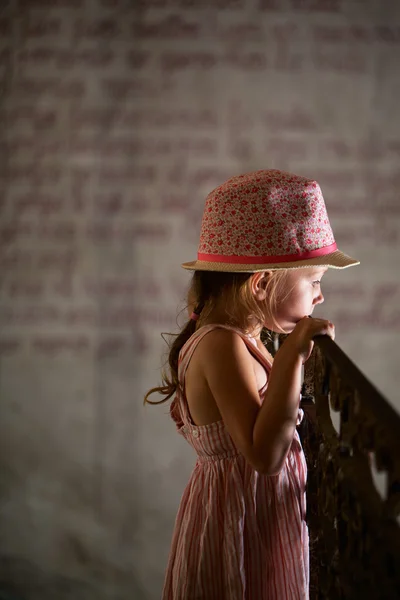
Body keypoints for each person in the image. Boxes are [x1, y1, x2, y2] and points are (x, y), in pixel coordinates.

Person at [144, 169, 359, 599]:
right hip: (237, 529)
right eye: (314, 282)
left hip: (257, 522)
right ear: (261, 284)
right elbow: (264, 454)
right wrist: (293, 356)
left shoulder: (245, 338)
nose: (320, 297)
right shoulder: (222, 345)